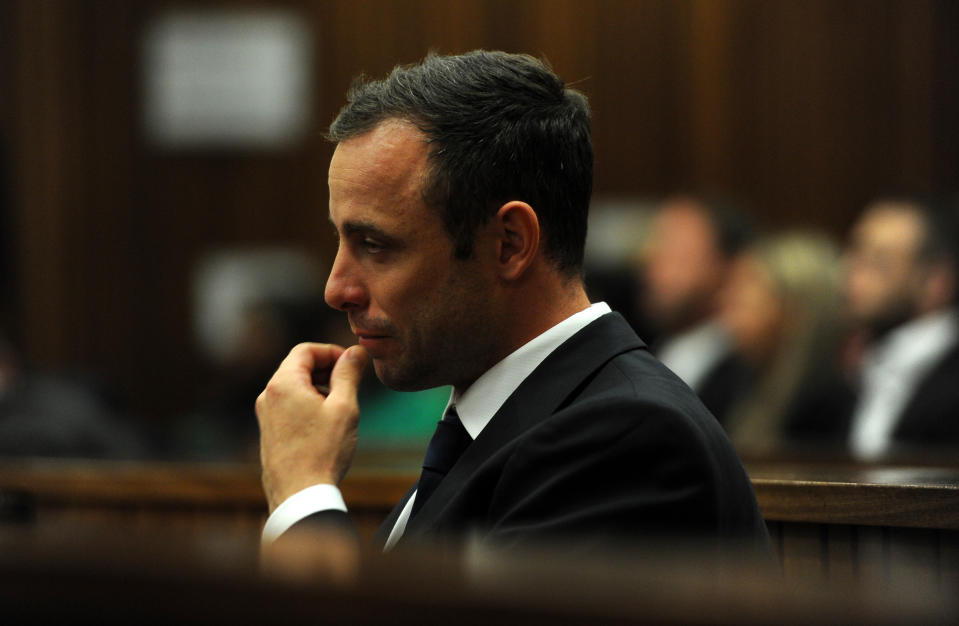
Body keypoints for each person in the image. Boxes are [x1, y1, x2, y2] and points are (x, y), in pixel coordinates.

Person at [255, 51, 770, 562]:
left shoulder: (627, 440)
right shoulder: (511, 422)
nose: (336, 288)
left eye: (375, 244)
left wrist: (304, 493)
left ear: (509, 243)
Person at [841, 197, 959, 460]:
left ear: (936, 281)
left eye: (878, 261)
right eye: (853, 253)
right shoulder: (855, 368)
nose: (851, 270)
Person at [718, 232, 853, 455]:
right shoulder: (729, 377)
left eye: (745, 286)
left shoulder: (830, 408)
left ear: (795, 311)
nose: (726, 299)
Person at [640, 195, 755, 425]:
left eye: (674, 249)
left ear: (726, 265)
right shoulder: (651, 349)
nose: (649, 259)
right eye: (655, 243)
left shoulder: (749, 368)